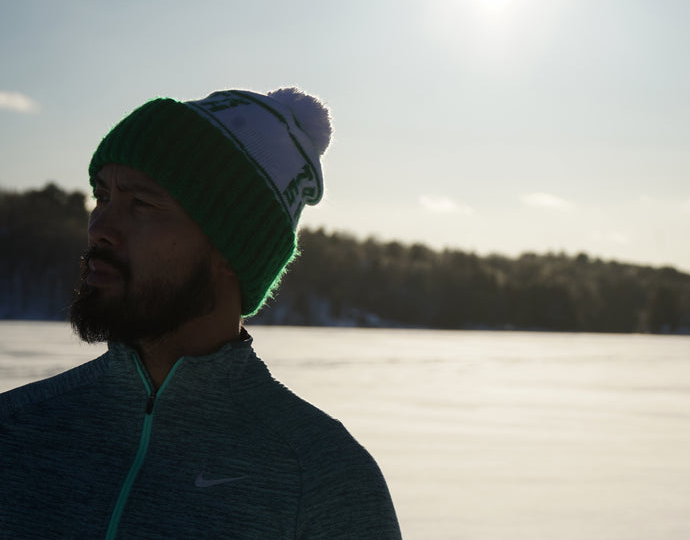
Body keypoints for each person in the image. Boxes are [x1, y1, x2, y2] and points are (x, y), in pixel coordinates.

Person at [0, 87, 402, 539]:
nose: (100, 228)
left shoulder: (324, 478)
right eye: (102, 197)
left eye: (142, 204)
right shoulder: (15, 429)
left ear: (230, 250)